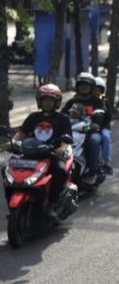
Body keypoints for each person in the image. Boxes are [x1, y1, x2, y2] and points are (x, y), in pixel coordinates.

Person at [12, 85, 72, 219]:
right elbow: (21, 133)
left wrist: (61, 148)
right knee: (8, 168)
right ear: (39, 101)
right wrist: (13, 143)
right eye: (44, 100)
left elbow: (66, 138)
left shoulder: (63, 119)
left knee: (60, 171)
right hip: (31, 153)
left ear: (57, 102)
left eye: (50, 100)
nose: (47, 103)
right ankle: (14, 196)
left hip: (52, 155)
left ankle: (52, 203)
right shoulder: (33, 117)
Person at [62, 72, 105, 179]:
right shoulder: (72, 101)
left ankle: (92, 171)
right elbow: (61, 115)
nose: (83, 87)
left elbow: (100, 114)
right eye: (81, 85)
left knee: (94, 141)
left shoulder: (97, 101)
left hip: (90, 131)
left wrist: (96, 124)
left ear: (92, 87)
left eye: (86, 85)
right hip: (72, 130)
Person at [93, 76, 113, 175]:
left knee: (105, 137)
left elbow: (108, 116)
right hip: (88, 126)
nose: (96, 92)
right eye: (94, 90)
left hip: (103, 127)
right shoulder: (88, 100)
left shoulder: (104, 101)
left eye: (98, 90)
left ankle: (106, 161)